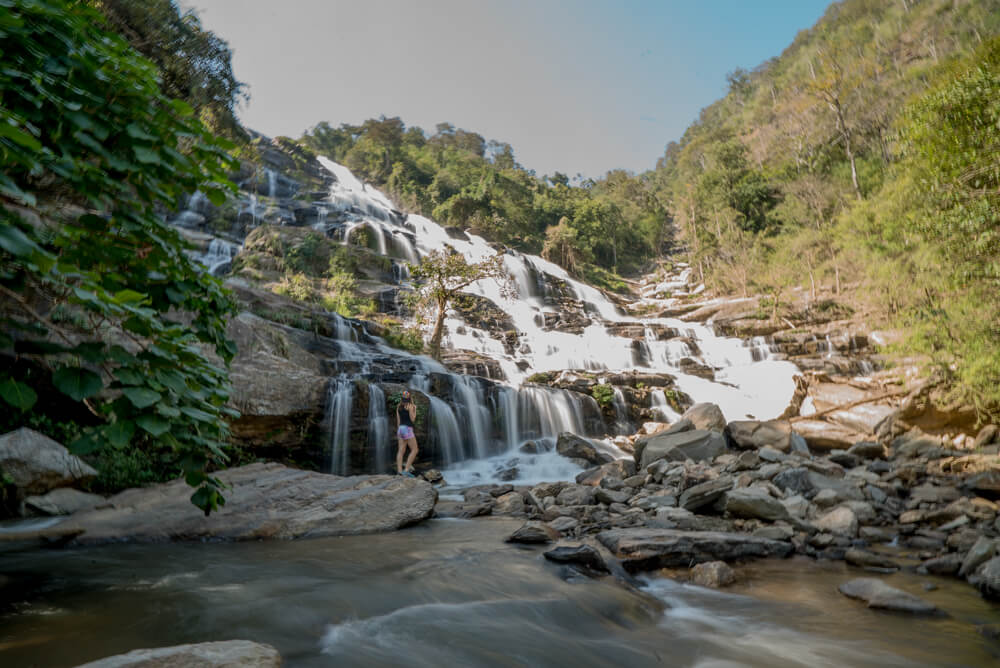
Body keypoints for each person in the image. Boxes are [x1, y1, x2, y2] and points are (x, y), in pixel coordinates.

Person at [396, 390, 419, 476]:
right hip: (407, 429)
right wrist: (415, 410)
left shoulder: (398, 406)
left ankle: (399, 471)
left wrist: (399, 432)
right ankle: (406, 470)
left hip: (400, 429)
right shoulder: (411, 406)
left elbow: (398, 421)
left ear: (402, 398)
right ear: (410, 398)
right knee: (415, 450)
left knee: (401, 451)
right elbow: (413, 419)